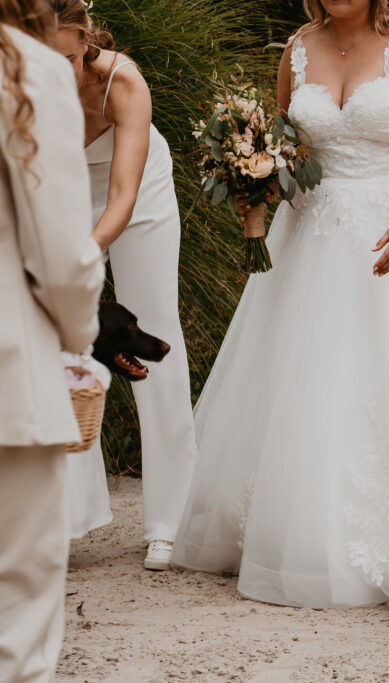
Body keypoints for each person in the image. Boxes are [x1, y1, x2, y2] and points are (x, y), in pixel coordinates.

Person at [171, 0, 389, 609]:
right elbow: (284, 148)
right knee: (309, 379)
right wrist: (253, 197)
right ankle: (299, 531)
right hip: (312, 233)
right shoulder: (297, 47)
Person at [50, 0, 198, 570]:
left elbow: (122, 197)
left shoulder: (122, 80)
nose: (56, 73)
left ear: (87, 40)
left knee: (153, 330)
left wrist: (86, 254)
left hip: (137, 196)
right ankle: (65, 515)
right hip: (62, 190)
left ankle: (170, 519)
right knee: (62, 339)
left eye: (67, 58)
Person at [0, 1, 105, 678]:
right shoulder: (28, 70)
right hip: (9, 371)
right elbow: (63, 256)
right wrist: (77, 337)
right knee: (16, 610)